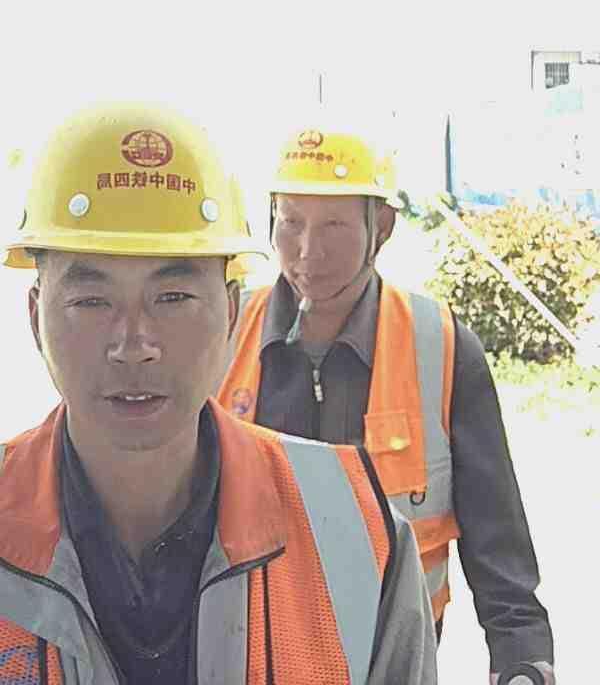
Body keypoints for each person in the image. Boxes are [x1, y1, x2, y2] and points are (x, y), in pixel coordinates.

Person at [0, 103, 437, 685]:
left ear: (231, 311)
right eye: (91, 301)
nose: (134, 345)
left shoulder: (356, 532)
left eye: (174, 297)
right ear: (36, 317)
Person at [218, 123, 556, 685]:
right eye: (291, 222)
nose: (307, 251)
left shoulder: (441, 347)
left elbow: (497, 538)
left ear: (382, 227)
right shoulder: (222, 335)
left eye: (333, 225)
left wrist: (523, 659)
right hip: (254, 656)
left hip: (394, 659)